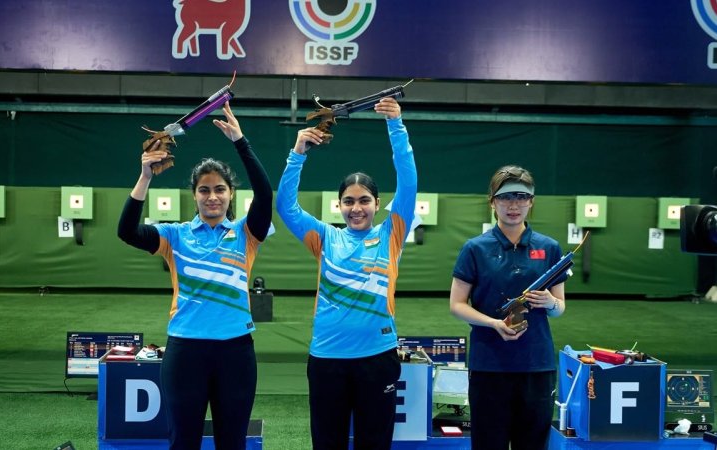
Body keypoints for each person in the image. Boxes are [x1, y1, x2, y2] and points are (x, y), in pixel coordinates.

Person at [117, 103, 272, 450]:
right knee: (183, 442)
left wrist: (241, 142)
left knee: (232, 443)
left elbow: (265, 195)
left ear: (230, 194)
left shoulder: (246, 233)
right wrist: (145, 177)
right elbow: (127, 231)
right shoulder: (175, 235)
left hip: (236, 352)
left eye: (220, 189)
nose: (212, 196)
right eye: (204, 190)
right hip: (185, 351)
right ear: (194, 195)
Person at [276, 97, 417, 450]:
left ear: (377, 204)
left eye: (364, 200)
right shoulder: (325, 237)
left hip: (378, 358)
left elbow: (408, 180)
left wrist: (396, 125)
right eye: (349, 201)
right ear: (338, 205)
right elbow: (286, 207)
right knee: (328, 444)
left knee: (375, 443)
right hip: (327, 360)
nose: (356, 208)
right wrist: (298, 153)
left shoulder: (392, 233)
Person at [449, 165, 567, 450]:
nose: (513, 205)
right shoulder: (475, 248)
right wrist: (493, 323)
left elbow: (560, 307)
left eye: (521, 197)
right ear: (492, 202)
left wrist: (551, 303)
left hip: (536, 365)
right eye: (505, 197)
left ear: (531, 201)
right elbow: (456, 305)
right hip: (489, 365)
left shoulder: (549, 247)